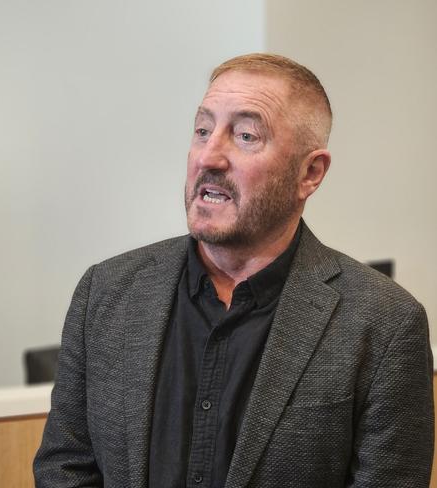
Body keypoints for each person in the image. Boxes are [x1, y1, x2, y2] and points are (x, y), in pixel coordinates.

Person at [33, 53, 434, 487]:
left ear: (310, 173)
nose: (210, 156)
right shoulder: (107, 292)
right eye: (203, 130)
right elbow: (64, 468)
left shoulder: (385, 324)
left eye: (245, 135)